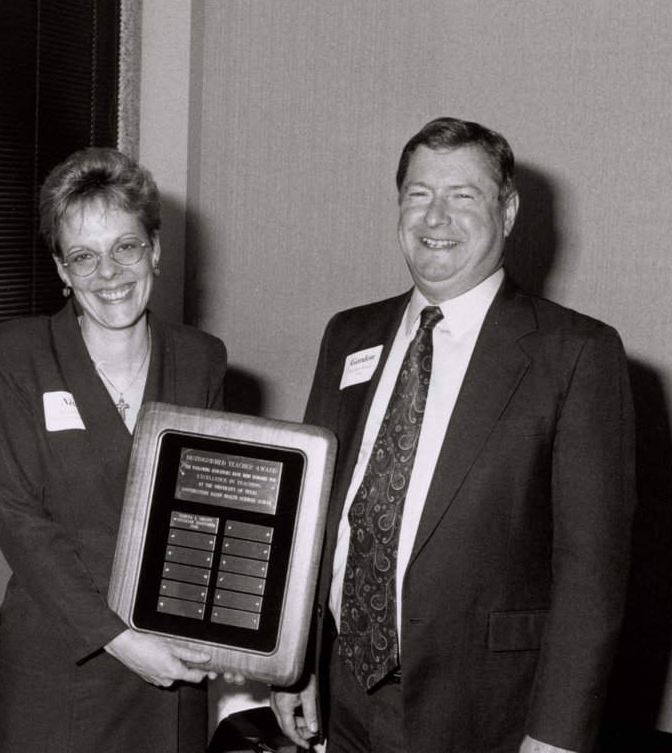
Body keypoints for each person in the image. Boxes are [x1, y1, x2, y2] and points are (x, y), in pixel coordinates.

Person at [271, 118, 635, 753]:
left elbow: (592, 572)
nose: (435, 217)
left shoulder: (575, 354)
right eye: (418, 194)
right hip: (344, 693)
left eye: (462, 196)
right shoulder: (348, 336)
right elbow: (313, 521)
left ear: (509, 210)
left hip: (486, 709)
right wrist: (291, 660)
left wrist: (556, 736)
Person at [0, 146, 229, 751]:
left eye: (126, 247)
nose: (109, 273)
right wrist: (121, 640)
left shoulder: (202, 360)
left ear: (156, 251)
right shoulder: (13, 357)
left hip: (172, 664)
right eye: (84, 257)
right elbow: (18, 519)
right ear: (61, 270)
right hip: (62, 664)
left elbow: (212, 515)